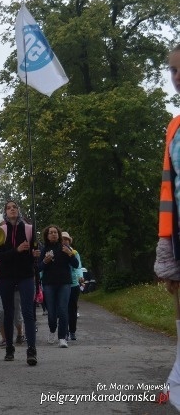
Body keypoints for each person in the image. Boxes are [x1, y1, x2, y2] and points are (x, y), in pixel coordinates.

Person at [153, 44, 180, 412]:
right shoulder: (174, 126)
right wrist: (167, 245)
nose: (177, 77)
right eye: (173, 70)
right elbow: (168, 188)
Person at [0, 200, 38, 365]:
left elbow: (35, 250)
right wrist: (17, 250)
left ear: (19, 210)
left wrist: (35, 253)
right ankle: (9, 348)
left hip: (25, 274)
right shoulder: (0, 230)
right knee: (8, 312)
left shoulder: (29, 228)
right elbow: (0, 256)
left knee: (28, 312)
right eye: (8, 208)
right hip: (6, 275)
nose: (12, 209)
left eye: (15, 207)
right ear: (5, 212)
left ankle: (31, 350)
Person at [39, 225, 79, 348]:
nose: (53, 234)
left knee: (63, 310)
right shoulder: (43, 249)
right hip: (49, 283)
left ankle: (62, 338)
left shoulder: (65, 247)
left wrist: (70, 254)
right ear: (47, 235)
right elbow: (38, 267)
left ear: (59, 234)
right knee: (51, 312)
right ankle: (52, 330)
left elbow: (76, 265)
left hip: (64, 283)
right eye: (50, 232)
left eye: (55, 232)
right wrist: (45, 261)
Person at [62, 232, 83, 341]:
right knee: (63, 309)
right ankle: (64, 332)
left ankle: (72, 331)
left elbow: (78, 266)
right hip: (62, 284)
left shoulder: (74, 252)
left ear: (69, 241)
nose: (64, 241)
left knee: (72, 309)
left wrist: (80, 277)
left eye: (66, 239)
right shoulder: (57, 252)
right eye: (62, 239)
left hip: (74, 284)